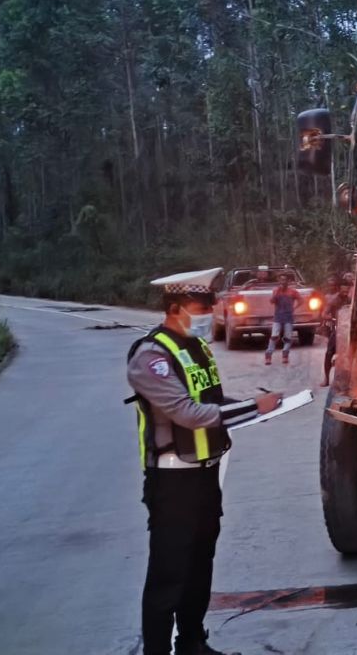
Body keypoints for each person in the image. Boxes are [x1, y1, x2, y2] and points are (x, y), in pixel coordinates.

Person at [125, 268, 282, 655]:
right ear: (174, 307)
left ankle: (192, 642)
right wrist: (251, 408)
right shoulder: (151, 356)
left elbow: (214, 403)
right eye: (200, 307)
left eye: (210, 307)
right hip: (173, 483)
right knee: (168, 575)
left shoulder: (197, 349)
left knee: (199, 566)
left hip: (206, 476)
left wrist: (256, 408)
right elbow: (188, 413)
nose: (208, 314)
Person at [319, 274, 353, 388]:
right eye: (343, 291)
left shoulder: (351, 299)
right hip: (338, 329)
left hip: (351, 328)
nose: (345, 293)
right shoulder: (333, 300)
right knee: (329, 352)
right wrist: (332, 318)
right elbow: (324, 313)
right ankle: (326, 378)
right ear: (339, 289)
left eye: (347, 290)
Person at [266, 273, 299, 365]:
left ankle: (285, 355)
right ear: (279, 281)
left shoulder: (293, 292)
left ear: (288, 281)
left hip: (288, 317)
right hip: (278, 317)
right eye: (281, 280)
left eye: (285, 280)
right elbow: (271, 301)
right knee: (274, 336)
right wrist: (276, 294)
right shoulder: (276, 291)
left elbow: (301, 300)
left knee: (288, 337)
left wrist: (295, 308)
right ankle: (268, 355)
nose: (283, 282)